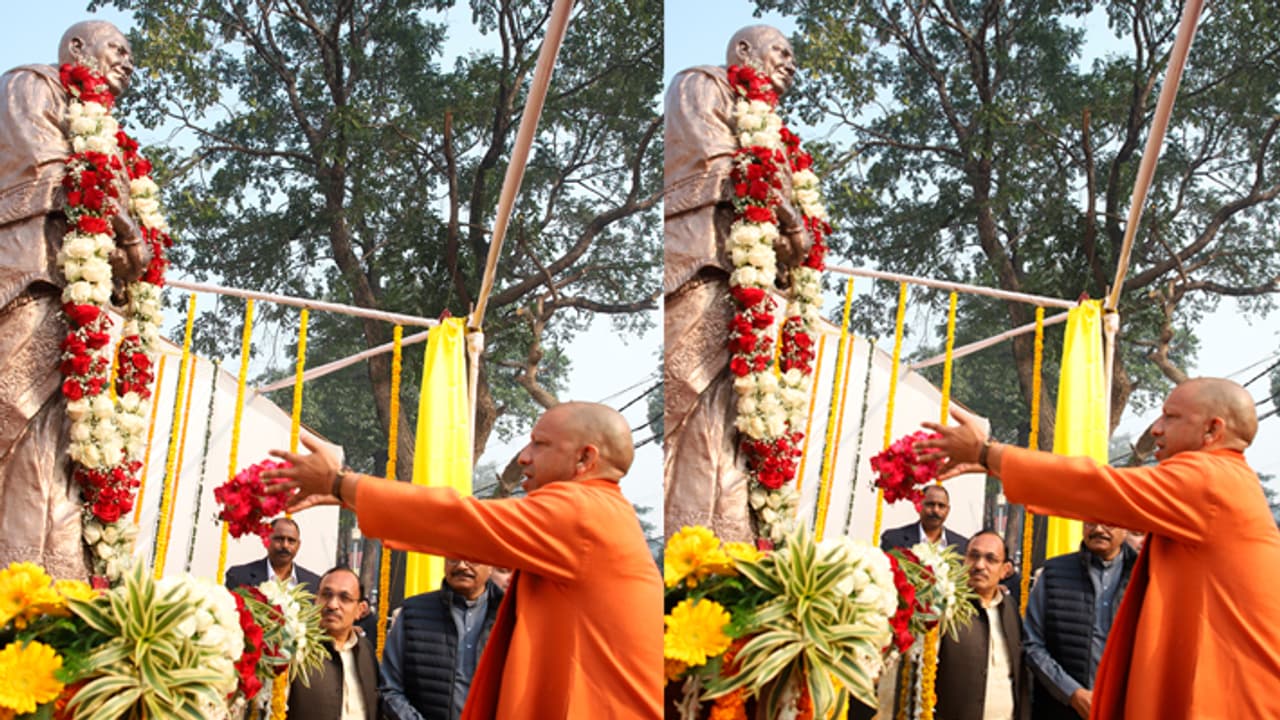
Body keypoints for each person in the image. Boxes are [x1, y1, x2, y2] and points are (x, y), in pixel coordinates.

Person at [264, 401, 661, 719]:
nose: (523, 457)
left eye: (539, 444)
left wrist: (341, 482)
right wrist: (351, 494)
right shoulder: (597, 514)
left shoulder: (585, 512)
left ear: (584, 459)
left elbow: (458, 520)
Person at [919, 377, 1280, 719]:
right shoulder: (1222, 482)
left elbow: (1097, 487)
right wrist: (993, 465)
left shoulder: (1212, 480)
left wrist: (986, 453)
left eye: (1171, 416)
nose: (1156, 428)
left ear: (1212, 430)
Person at [0, 20, 148, 578]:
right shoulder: (29, 85)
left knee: (69, 451)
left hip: (83, 318)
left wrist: (131, 241)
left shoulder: (114, 142)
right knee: (16, 423)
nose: (127, 62)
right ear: (76, 48)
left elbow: (128, 236)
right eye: (118, 49)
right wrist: (124, 229)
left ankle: (55, 581)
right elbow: (47, 171)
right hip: (30, 288)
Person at [663, 25, 811, 542]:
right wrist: (790, 221)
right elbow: (721, 163)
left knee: (740, 424)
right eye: (782, 53)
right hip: (705, 272)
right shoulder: (700, 84)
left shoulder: (776, 133)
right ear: (744, 51)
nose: (791, 64)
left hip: (756, 299)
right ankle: (691, 543)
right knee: (690, 405)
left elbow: (793, 228)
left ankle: (731, 540)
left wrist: (796, 235)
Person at [1023, 522, 1138, 720]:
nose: (1099, 529)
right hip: (1061, 708)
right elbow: (1032, 644)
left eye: (1109, 522)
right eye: (1091, 522)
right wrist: (1073, 693)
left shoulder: (1145, 576)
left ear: (1125, 527)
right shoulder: (1054, 573)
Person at [380, 557, 504, 720]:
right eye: (453, 558)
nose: (461, 566)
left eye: (472, 560)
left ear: (490, 566)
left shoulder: (511, 617)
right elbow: (390, 688)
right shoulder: (413, 613)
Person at [934, 531, 1029, 720]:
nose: (979, 565)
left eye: (991, 559)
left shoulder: (1009, 608)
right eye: (974, 556)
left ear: (1005, 570)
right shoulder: (944, 607)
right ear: (963, 560)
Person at [285, 566, 379, 719]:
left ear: (359, 610)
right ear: (316, 600)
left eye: (345, 598)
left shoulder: (365, 650)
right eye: (326, 595)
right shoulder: (295, 647)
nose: (332, 605)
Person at [223, 517, 322, 594]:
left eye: (291, 541)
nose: (285, 545)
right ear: (266, 540)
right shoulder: (239, 577)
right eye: (279, 539)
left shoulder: (314, 584)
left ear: (298, 545)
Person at [879, 484, 968, 554]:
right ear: (918, 506)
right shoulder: (894, 539)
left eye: (941, 506)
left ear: (948, 510)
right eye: (930, 504)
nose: (936, 510)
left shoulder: (963, 546)